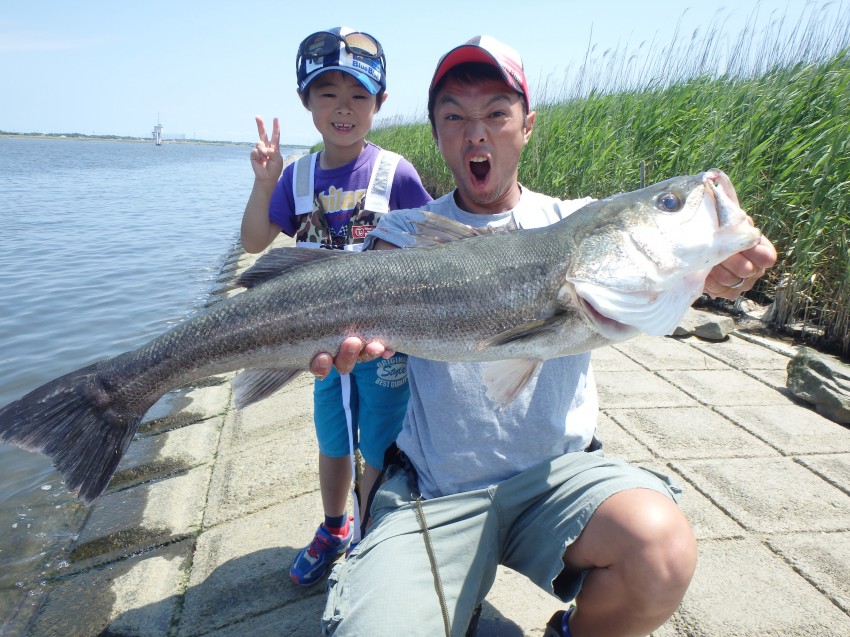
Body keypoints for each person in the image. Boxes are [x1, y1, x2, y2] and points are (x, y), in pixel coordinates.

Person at [311, 36, 778, 636]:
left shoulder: (573, 219)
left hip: (557, 481)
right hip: (436, 488)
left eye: (496, 114)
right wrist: (342, 341)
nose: (476, 133)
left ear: (527, 126)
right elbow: (361, 292)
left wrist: (715, 267)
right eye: (454, 116)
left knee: (659, 550)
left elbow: (666, 270)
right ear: (435, 133)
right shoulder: (402, 235)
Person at [240, 26, 432, 587]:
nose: (343, 108)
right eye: (328, 94)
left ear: (380, 104)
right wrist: (264, 181)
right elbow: (255, 241)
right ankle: (335, 528)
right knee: (332, 441)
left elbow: (431, 245)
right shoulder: (296, 175)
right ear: (306, 101)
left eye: (358, 96)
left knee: (379, 444)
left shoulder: (395, 172)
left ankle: (374, 535)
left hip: (385, 348)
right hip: (320, 348)